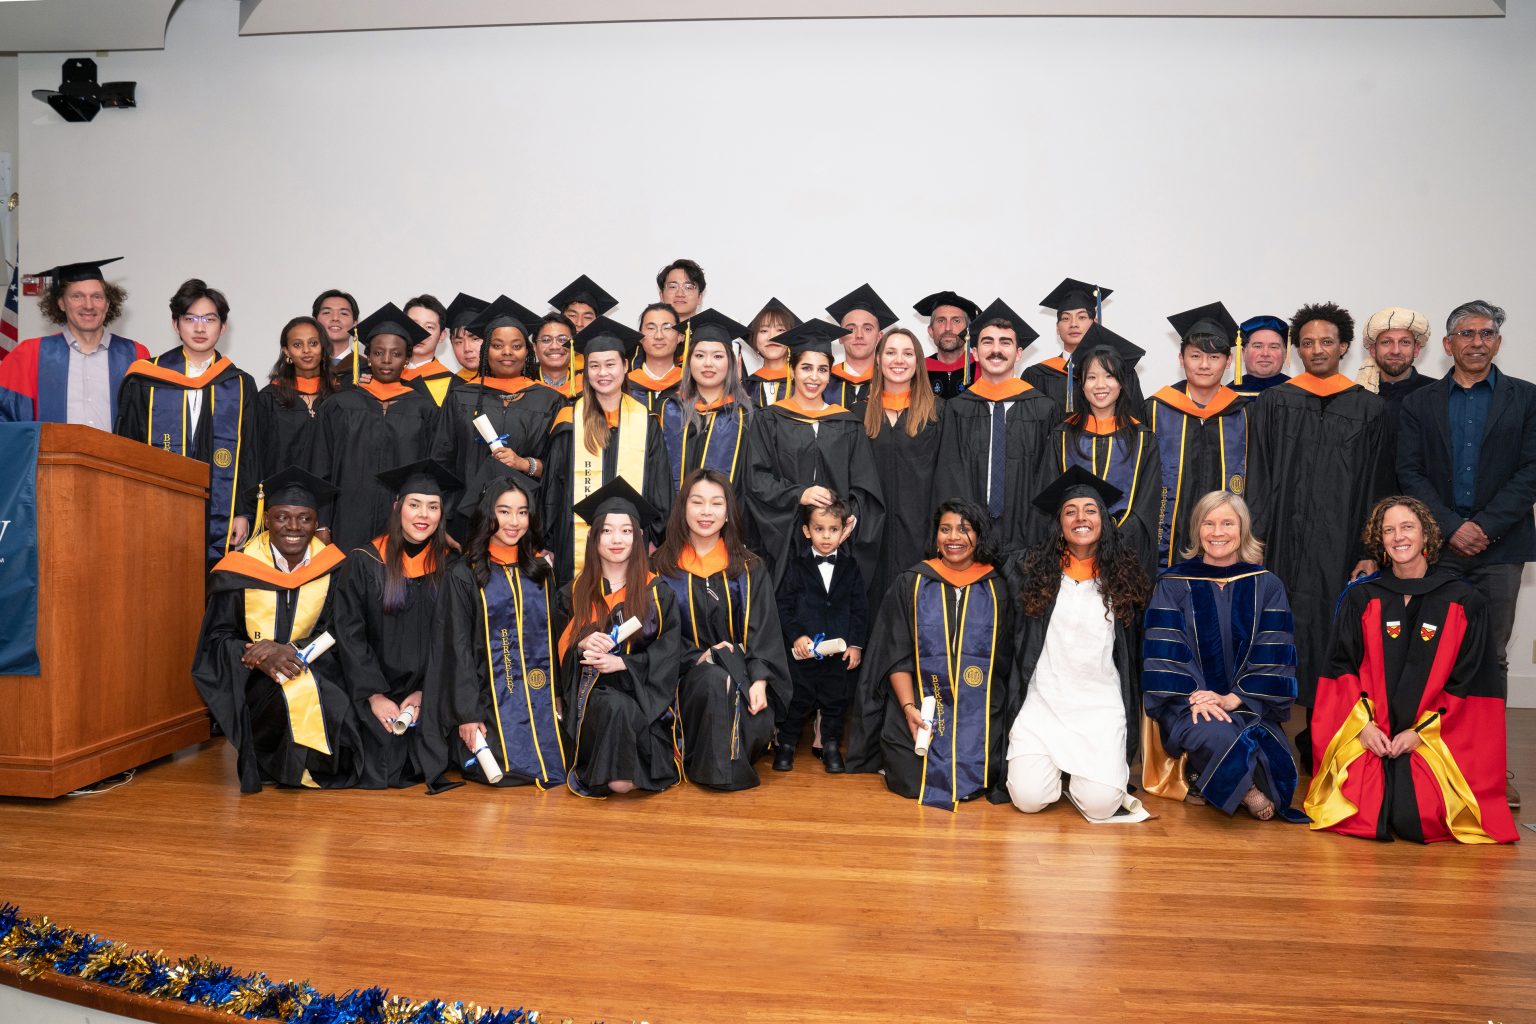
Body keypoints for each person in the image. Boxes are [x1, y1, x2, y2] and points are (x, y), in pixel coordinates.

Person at [1306, 496, 1517, 844]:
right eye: (1388, 530)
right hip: (1373, 730)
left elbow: (1469, 682)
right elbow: (1340, 668)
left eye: (1407, 527)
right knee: (1361, 807)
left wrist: (1420, 733)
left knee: (1415, 814)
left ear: (1426, 537)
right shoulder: (1362, 599)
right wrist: (1363, 727)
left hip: (1435, 735)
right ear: (1380, 541)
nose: (1398, 537)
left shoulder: (1464, 602)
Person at [1398, 299, 1535, 810]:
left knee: (1491, 656)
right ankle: (1430, 759)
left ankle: (1489, 767)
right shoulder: (1420, 403)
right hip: (1440, 549)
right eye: (1466, 333)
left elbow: (1531, 471)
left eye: (1487, 333)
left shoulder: (1528, 399)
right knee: (1430, 651)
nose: (1477, 342)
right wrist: (1453, 528)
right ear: (1448, 345)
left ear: (1498, 342)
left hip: (1501, 549)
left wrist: (1484, 527)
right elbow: (1409, 472)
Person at [1247, 301, 1388, 760]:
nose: (1316, 350)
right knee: (1273, 631)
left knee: (1333, 637)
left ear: (1344, 347)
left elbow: (1375, 485)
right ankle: (1267, 731)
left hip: (1339, 544)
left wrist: (1369, 548)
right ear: (1297, 350)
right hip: (1282, 543)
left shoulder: (1369, 410)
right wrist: (1256, 537)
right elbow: (1260, 475)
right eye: (1307, 343)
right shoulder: (1275, 402)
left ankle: (1322, 734)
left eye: (1326, 342)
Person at [193, 466, 363, 792]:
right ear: (267, 519)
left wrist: (292, 650)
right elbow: (216, 638)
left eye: (305, 518)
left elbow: (342, 629)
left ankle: (298, 767)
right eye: (283, 517)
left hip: (318, 668)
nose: (294, 527)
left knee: (331, 703)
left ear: (316, 524)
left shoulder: (336, 568)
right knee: (281, 695)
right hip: (254, 680)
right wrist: (258, 657)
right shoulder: (238, 569)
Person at [1141, 491, 1306, 822]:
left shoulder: (1267, 585)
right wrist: (1195, 698)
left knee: (1278, 774)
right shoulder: (1172, 583)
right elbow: (1165, 649)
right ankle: (1245, 791)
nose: (1218, 532)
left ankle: (1207, 779)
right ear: (1197, 530)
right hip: (1189, 702)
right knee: (1216, 731)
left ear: (1242, 529)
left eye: (1227, 523)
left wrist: (1234, 698)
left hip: (1248, 702)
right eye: (1209, 523)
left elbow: (1273, 649)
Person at [1002, 468, 1151, 822]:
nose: (1080, 518)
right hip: (1043, 703)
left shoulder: (1123, 577)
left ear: (1104, 520)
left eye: (1090, 510)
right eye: (1070, 511)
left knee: (1101, 807)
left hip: (1098, 706)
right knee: (1028, 798)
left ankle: (1080, 775)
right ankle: (1060, 769)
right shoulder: (1032, 570)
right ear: (1059, 523)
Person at [847, 499, 1015, 810]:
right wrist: (909, 706)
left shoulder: (997, 588)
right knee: (911, 779)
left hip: (979, 712)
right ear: (935, 537)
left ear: (979, 536)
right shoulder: (912, 583)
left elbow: (1005, 665)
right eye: (945, 529)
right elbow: (894, 652)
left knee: (983, 770)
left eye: (964, 530)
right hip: (918, 707)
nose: (954, 538)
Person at [655, 469, 792, 790]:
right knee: (716, 679)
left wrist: (760, 679)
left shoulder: (749, 568)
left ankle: (714, 759)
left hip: (745, 675)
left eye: (716, 503)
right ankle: (721, 772)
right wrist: (699, 656)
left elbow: (765, 631)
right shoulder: (661, 568)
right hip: (682, 678)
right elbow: (656, 636)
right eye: (697, 502)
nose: (706, 512)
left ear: (728, 511)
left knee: (737, 693)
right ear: (683, 508)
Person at [334, 459, 460, 790]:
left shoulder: (452, 567)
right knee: (380, 761)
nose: (423, 515)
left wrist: (425, 693)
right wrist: (374, 695)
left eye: (433, 507)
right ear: (397, 507)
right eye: (414, 504)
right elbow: (349, 632)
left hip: (430, 690)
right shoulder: (364, 561)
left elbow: (454, 639)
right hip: (373, 687)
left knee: (421, 756)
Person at [436, 474, 569, 789]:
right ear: (488, 514)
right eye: (504, 511)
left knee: (563, 759)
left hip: (541, 700)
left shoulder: (540, 572)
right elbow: (457, 649)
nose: (514, 521)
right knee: (502, 768)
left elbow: (553, 641)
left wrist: (559, 694)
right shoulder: (465, 574)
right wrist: (468, 715)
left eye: (522, 512)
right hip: (488, 701)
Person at [115, 278, 259, 566]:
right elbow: (126, 447)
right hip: (155, 505)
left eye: (209, 319)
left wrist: (242, 513)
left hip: (221, 511)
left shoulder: (239, 384)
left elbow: (250, 455)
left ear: (223, 326)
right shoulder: (146, 379)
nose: (200, 327)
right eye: (190, 318)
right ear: (175, 324)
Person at [558, 479, 682, 797]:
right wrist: (580, 643)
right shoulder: (571, 594)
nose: (617, 539)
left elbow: (669, 656)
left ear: (638, 537)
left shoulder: (657, 593)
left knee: (626, 712)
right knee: (615, 708)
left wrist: (623, 664)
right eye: (608, 531)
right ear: (594, 537)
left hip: (645, 697)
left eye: (626, 530)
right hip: (591, 699)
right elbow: (552, 655)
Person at [745, 318, 885, 586]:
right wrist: (801, 494)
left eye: (822, 369)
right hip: (786, 539)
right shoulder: (769, 420)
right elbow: (756, 479)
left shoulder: (846, 423)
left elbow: (865, 487)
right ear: (792, 369)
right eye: (806, 367)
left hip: (838, 541)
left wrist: (847, 520)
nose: (814, 377)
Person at [543, 316, 672, 586]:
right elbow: (553, 487)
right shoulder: (569, 419)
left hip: (634, 539)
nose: (603, 373)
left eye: (611, 364)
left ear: (626, 366)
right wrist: (549, 540)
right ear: (585, 370)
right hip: (573, 542)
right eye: (595, 366)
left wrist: (655, 537)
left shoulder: (646, 422)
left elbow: (660, 487)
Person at [429, 296, 563, 544]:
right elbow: (442, 461)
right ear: (486, 350)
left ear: (528, 351)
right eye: (498, 345)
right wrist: (444, 520)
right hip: (465, 521)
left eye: (516, 345)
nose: (507, 353)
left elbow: (558, 467)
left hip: (525, 525)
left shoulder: (549, 400)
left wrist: (525, 463)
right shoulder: (461, 396)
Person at [308, 303, 438, 552]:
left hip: (402, 521)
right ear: (368, 355)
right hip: (346, 520)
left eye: (396, 354)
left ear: (408, 358)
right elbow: (320, 467)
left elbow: (429, 473)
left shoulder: (424, 409)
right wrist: (322, 523)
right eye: (378, 353)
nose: (387, 361)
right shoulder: (339, 405)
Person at [932, 304, 1057, 553]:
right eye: (988, 342)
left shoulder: (1043, 409)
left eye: (1005, 343)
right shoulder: (956, 410)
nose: (996, 350)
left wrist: (1041, 534)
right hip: (969, 539)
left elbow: (1049, 477)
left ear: (1019, 353)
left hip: (1028, 539)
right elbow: (949, 475)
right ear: (975, 353)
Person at [1046, 325, 1161, 572]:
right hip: (1069, 555)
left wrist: (1115, 538)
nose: (1101, 385)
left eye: (1109, 376)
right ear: (1082, 384)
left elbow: (1146, 504)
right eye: (1091, 377)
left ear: (1122, 383)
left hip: (1125, 555)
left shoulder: (1142, 438)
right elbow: (1050, 499)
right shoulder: (1062, 436)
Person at [1146, 303, 1250, 571]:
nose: (1204, 365)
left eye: (1214, 357)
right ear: (1181, 360)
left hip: (1225, 542)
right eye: (1195, 356)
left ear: (1229, 362)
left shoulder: (1246, 413)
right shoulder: (1156, 409)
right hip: (1165, 541)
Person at [773, 498, 868, 774]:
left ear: (843, 531)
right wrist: (796, 636)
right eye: (819, 529)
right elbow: (784, 605)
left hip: (837, 654)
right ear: (806, 531)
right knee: (797, 700)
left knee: (835, 702)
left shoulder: (851, 567)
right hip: (804, 653)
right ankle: (787, 746)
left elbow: (860, 609)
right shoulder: (796, 565)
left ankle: (830, 746)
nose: (826, 536)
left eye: (833, 530)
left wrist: (855, 644)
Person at [0, 257, 148, 426]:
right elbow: (5, 418)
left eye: (97, 297)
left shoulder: (135, 354)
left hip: (116, 453)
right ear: (62, 303)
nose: (88, 305)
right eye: (77, 296)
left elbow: (149, 420)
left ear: (107, 304)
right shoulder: (30, 353)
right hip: (52, 452)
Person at [858, 325, 946, 608]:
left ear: (918, 362)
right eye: (891, 352)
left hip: (920, 535)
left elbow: (948, 476)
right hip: (870, 538)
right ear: (879, 359)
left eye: (908, 353)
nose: (899, 360)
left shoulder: (938, 413)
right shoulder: (857, 415)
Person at [658, 308, 753, 497]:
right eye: (699, 355)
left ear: (731, 363)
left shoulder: (749, 415)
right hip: (672, 520)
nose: (708, 363)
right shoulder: (668, 408)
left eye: (718, 356)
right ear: (688, 360)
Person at [1025, 277, 1144, 415]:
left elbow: (1136, 423)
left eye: (1082, 317)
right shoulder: (1037, 375)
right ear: (1057, 328)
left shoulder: (1121, 370)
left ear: (1095, 323)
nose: (1073, 324)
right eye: (1065, 318)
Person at [254, 315, 338, 484]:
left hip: (330, 497)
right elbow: (257, 454)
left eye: (313, 343)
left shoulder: (339, 397)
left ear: (323, 348)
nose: (306, 350)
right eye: (297, 345)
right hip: (281, 496)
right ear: (287, 352)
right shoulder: (269, 398)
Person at [1360, 307, 1435, 493]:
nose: (1396, 350)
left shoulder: (1437, 394)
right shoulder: (1358, 396)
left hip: (1423, 506)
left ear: (1416, 349)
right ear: (1372, 349)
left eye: (1405, 342)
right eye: (1386, 342)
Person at [824, 283, 900, 408]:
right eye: (851, 329)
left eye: (868, 329)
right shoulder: (823, 381)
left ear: (879, 337)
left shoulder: (892, 381)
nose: (859, 335)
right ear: (840, 337)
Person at [915, 290, 981, 400]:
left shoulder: (982, 369)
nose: (948, 328)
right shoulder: (917, 370)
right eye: (941, 321)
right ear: (931, 331)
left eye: (956, 320)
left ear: (969, 330)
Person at [400, 294, 459, 406]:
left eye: (429, 327)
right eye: (414, 324)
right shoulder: (381, 375)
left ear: (442, 336)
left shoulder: (452, 387)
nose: (420, 332)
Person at [625, 303, 684, 413]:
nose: (659, 336)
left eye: (667, 328)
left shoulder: (690, 386)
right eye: (651, 328)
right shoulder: (623, 387)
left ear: (680, 336)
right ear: (640, 337)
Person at [744, 297, 799, 407]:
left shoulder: (804, 383)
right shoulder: (745, 386)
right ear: (754, 339)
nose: (771, 337)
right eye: (764, 330)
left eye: (780, 330)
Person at [312, 288, 366, 386]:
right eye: (327, 312)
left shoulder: (367, 368)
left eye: (344, 313)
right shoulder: (301, 367)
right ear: (315, 321)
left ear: (355, 323)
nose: (335, 318)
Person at [1231, 314, 1290, 400]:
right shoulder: (1227, 396)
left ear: (1285, 354)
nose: (1265, 353)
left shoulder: (1301, 394)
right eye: (1257, 346)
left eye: (1274, 347)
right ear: (1243, 353)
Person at [533, 312, 582, 401]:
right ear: (535, 347)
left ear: (574, 346)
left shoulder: (586, 385)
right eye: (546, 340)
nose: (554, 346)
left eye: (562, 339)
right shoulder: (522, 384)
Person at [550, 274, 619, 336]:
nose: (579, 324)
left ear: (597, 322)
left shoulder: (606, 349)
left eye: (587, 317)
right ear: (561, 318)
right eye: (572, 315)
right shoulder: (548, 348)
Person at [445, 292, 488, 380]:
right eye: (458, 342)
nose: (467, 349)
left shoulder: (516, 384)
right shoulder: (449, 388)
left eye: (475, 339)